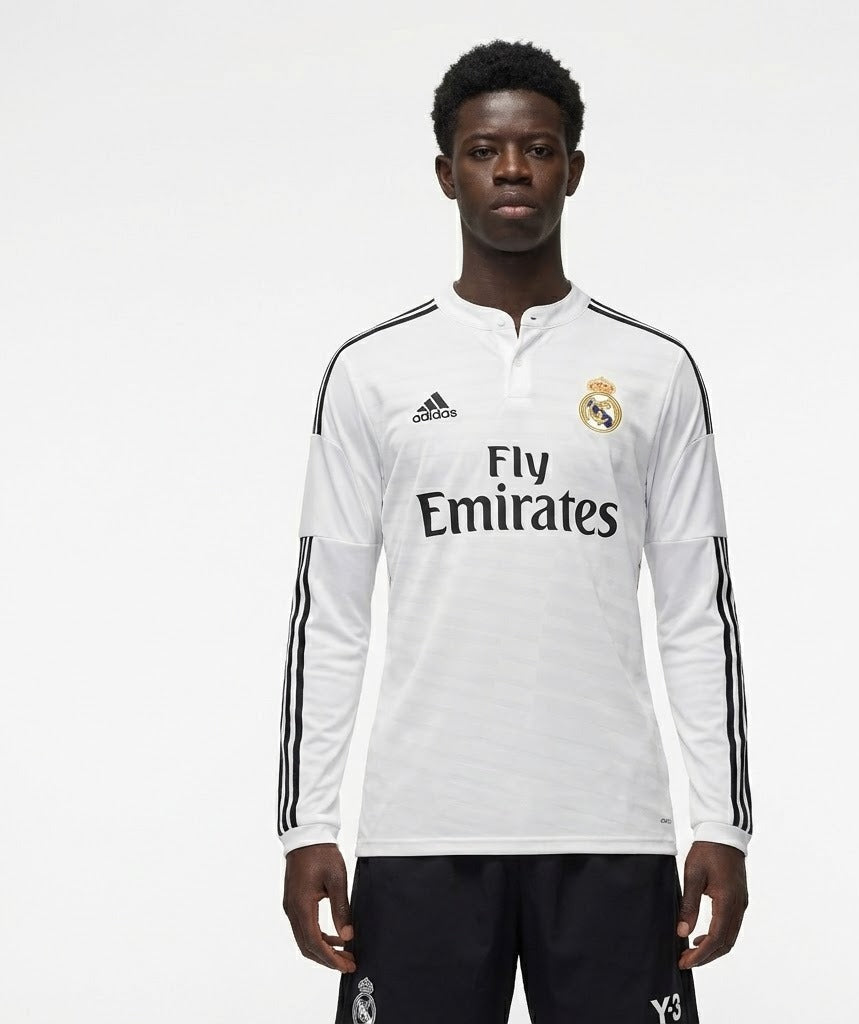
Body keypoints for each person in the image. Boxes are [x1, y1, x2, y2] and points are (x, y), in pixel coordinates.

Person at [277, 38, 752, 1024]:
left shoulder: (653, 370)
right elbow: (331, 615)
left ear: (572, 169)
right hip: (422, 832)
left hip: (612, 829)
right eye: (484, 150)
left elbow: (695, 613)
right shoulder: (372, 372)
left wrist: (723, 820)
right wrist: (306, 824)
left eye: (536, 149)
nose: (510, 171)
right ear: (445, 171)